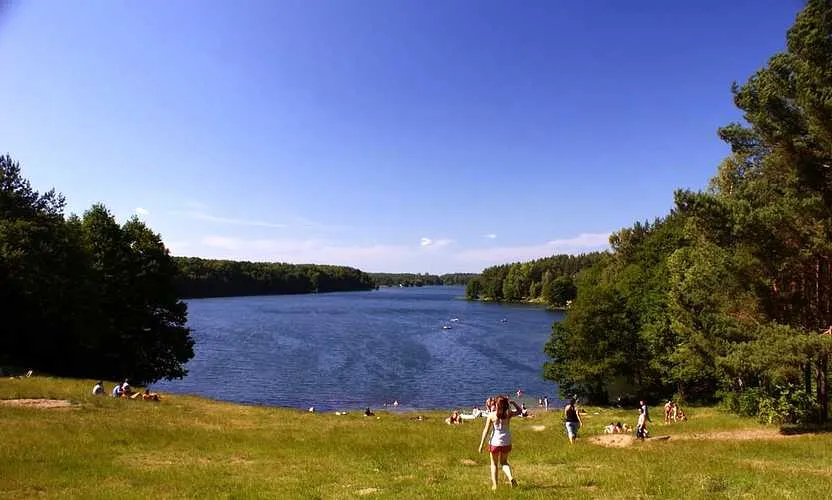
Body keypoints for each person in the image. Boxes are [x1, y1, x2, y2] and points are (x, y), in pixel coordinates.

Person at [478, 395, 521, 490]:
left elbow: (486, 430)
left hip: (494, 443)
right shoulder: (508, 414)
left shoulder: (491, 415)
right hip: (506, 441)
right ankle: (510, 478)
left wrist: (481, 444)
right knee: (504, 462)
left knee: (494, 464)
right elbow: (520, 411)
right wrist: (513, 403)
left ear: (496, 405)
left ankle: (495, 485)